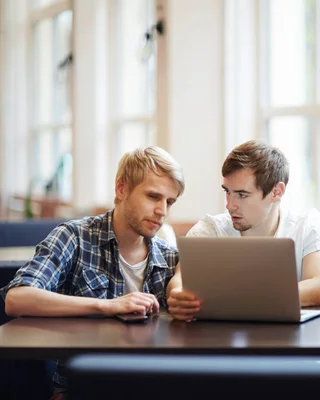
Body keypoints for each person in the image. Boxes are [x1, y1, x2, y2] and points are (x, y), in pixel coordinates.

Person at [0, 146, 185, 399]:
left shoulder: (171, 258)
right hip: (80, 388)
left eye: (169, 202)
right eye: (153, 197)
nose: (162, 211)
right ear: (121, 189)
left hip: (148, 387)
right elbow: (16, 299)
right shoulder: (74, 237)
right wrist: (107, 306)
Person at [167, 140, 320, 321]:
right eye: (227, 192)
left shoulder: (308, 225)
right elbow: (181, 278)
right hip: (221, 338)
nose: (230, 205)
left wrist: (241, 297)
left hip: (294, 339)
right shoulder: (211, 228)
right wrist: (178, 296)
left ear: (276, 192)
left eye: (242, 195)